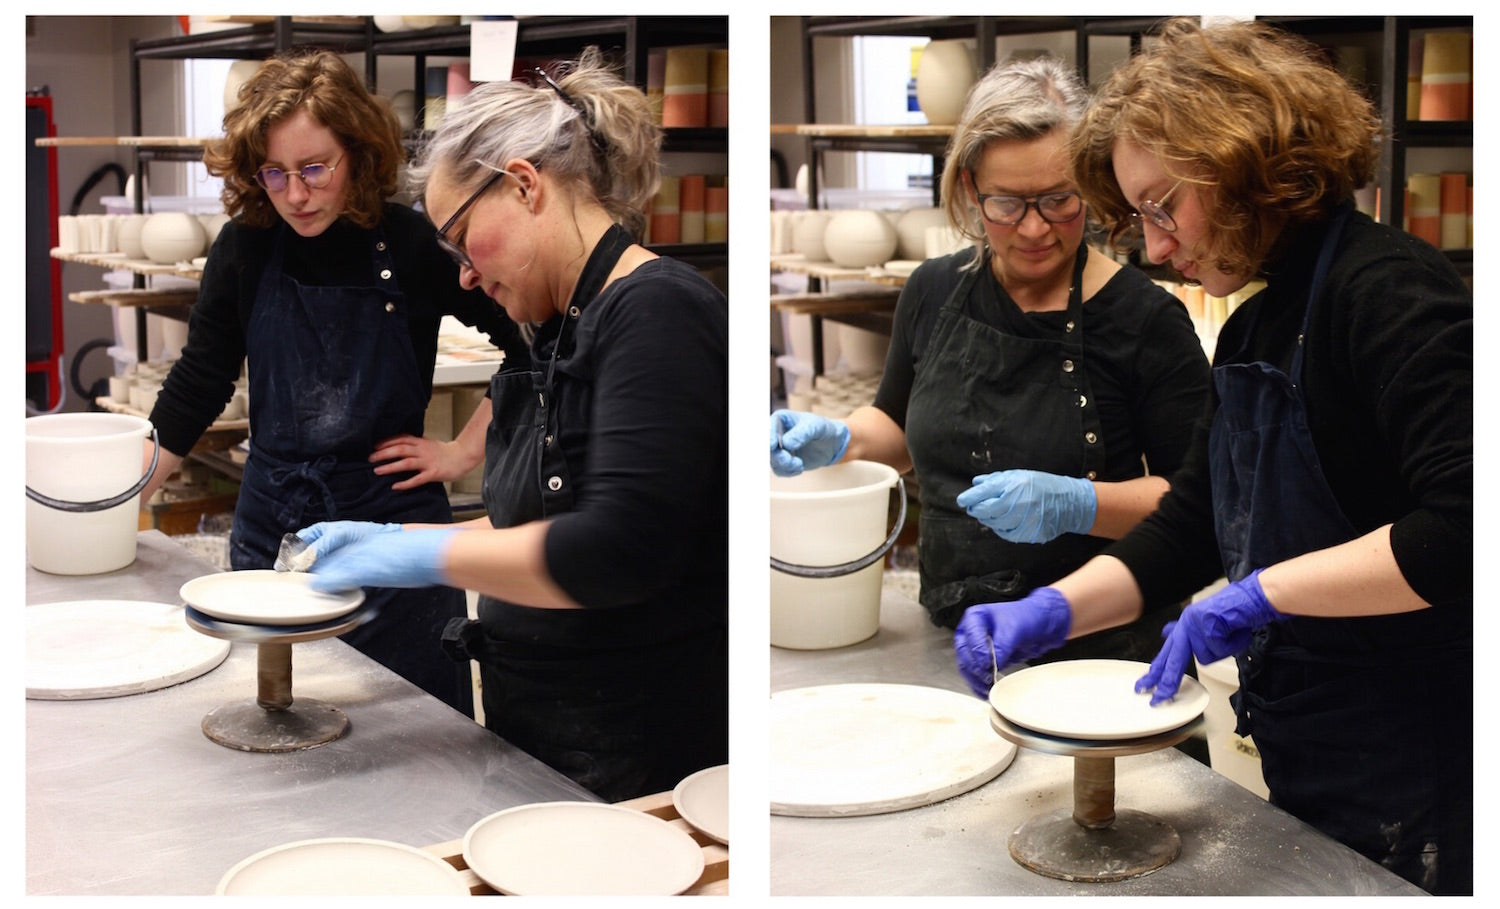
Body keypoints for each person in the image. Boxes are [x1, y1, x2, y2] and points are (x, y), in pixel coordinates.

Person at [953, 19, 1471, 895]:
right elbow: (1191, 522)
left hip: (1428, 758)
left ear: (1244, 165)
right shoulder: (1257, 323)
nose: (1153, 246)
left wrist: (1265, 592)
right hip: (1319, 746)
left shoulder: (1389, 294)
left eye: (1163, 205)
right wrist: (1052, 609)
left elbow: (1467, 529)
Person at [294, 51, 729, 803]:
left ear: (526, 184)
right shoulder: (555, 324)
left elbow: (616, 551)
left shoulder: (658, 312)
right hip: (552, 744)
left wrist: (421, 550)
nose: (463, 274)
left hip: (646, 763)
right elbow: (536, 515)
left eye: (462, 239)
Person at [770, 57, 1211, 665]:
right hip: (956, 632)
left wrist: (1078, 503)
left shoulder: (1145, 320)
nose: (1033, 228)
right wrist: (842, 439)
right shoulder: (931, 290)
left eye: (1060, 200)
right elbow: (897, 427)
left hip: (1098, 647)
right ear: (968, 188)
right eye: (1006, 204)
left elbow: (1198, 504)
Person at [143, 49, 524, 715]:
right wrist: (116, 497)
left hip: (394, 527)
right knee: (276, 727)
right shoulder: (245, 246)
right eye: (275, 172)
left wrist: (464, 449)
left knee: (418, 736)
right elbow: (199, 382)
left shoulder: (410, 242)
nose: (295, 193)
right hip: (273, 527)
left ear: (358, 150)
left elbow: (528, 337)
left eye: (315, 168)